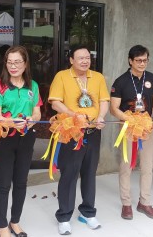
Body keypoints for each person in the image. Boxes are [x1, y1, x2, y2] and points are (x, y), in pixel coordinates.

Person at [48, 45, 110, 235]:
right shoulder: (62, 76)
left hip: (93, 132)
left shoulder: (98, 77)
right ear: (71, 60)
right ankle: (64, 216)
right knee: (69, 174)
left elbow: (104, 101)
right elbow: (55, 102)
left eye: (88, 57)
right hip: (71, 132)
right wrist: (72, 114)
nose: (85, 61)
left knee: (90, 173)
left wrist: (101, 117)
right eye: (80, 58)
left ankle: (88, 212)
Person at [0, 45, 42, 237]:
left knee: (21, 182)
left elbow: (37, 111)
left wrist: (31, 120)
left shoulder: (32, 86)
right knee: (3, 183)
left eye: (17, 61)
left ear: (25, 64)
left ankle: (15, 221)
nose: (13, 66)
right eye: (9, 62)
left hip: (26, 138)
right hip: (4, 140)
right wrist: (12, 122)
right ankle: (2, 226)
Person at [110, 45, 153, 220]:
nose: (142, 63)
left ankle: (144, 202)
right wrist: (128, 119)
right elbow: (114, 108)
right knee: (127, 166)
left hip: (147, 128)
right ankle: (126, 203)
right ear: (130, 61)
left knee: (147, 166)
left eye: (145, 60)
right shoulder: (121, 81)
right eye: (138, 60)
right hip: (128, 128)